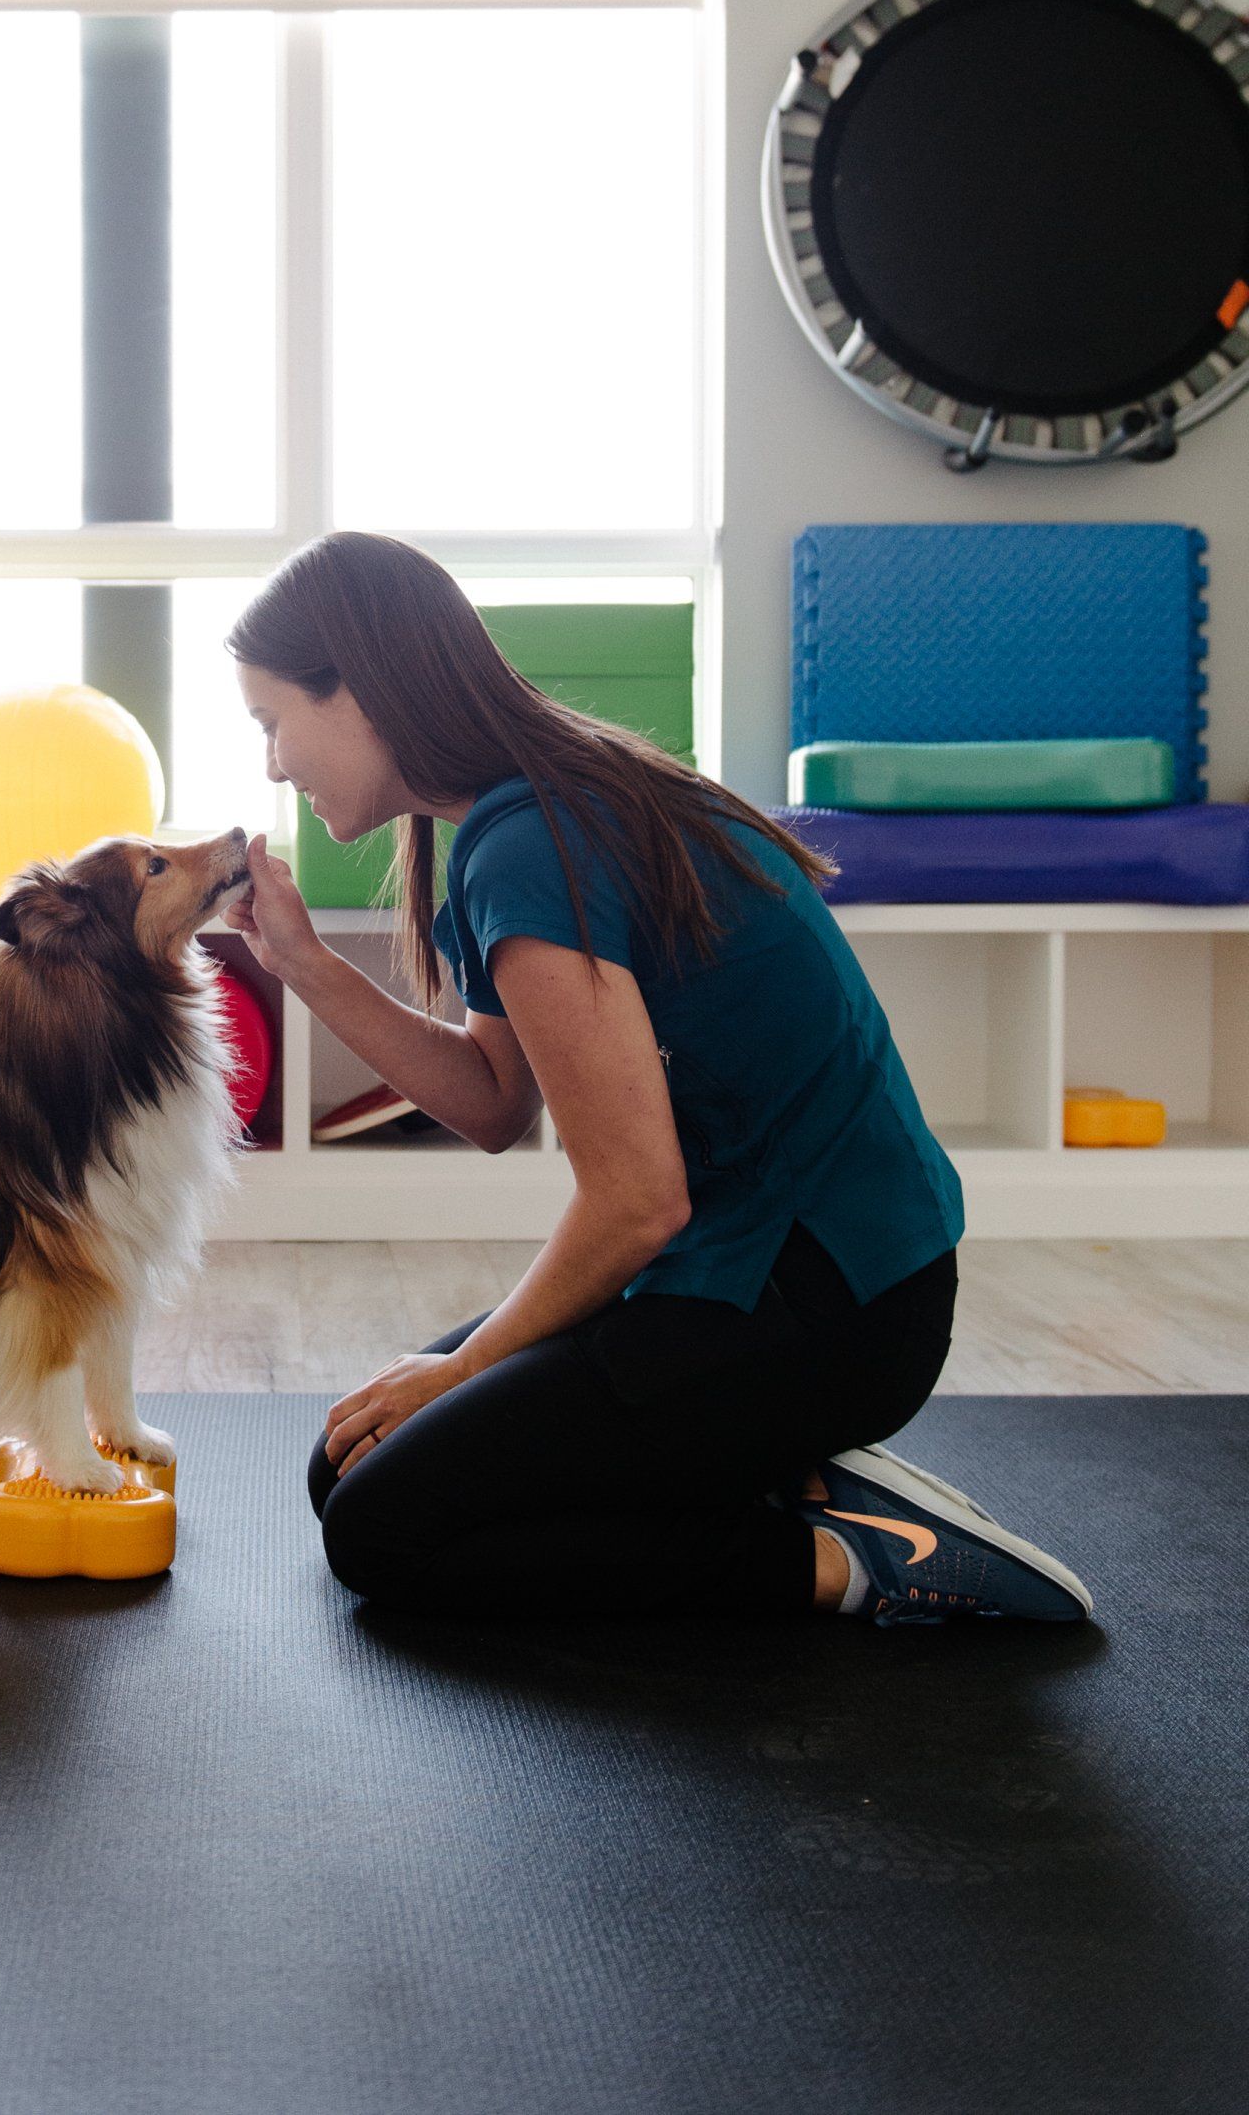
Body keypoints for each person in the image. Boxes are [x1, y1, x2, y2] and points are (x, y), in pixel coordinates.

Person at [223, 532, 1092, 1629]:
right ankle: (762, 1473)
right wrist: (303, 966)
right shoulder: (512, 812)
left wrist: (459, 1372)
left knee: (381, 1528)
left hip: (833, 1306)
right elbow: (496, 1104)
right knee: (350, 1464)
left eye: (271, 721)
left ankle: (855, 1555)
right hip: (735, 1269)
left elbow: (637, 1196)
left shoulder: (530, 839)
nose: (271, 764)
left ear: (356, 688)